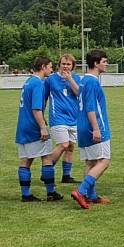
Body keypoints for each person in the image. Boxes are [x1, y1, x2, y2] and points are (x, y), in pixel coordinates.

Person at [16, 57, 63, 202]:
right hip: (33, 127)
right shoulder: (38, 84)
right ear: (43, 67)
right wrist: (43, 127)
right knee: (47, 157)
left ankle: (26, 194)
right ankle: (51, 192)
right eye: (50, 67)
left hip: (23, 126)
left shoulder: (28, 81)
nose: (51, 69)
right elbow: (36, 109)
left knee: (26, 160)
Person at [71, 50, 112, 209]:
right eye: (104, 61)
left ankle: (91, 196)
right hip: (94, 126)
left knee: (91, 161)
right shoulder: (92, 82)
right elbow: (90, 107)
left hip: (81, 126)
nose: (106, 64)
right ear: (95, 63)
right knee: (104, 161)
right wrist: (96, 128)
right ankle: (81, 191)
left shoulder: (83, 81)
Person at [46, 54, 81, 185]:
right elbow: (43, 98)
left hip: (73, 118)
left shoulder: (76, 78)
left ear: (72, 66)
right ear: (59, 65)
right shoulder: (51, 79)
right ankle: (47, 170)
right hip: (58, 118)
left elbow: (79, 93)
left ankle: (66, 175)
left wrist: (70, 80)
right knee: (63, 144)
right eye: (63, 64)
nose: (65, 67)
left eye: (68, 64)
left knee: (70, 147)